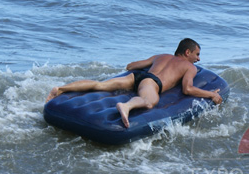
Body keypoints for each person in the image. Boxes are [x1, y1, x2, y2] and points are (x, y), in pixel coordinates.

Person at [46, 38, 223, 128]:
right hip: (152, 84)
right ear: (187, 52)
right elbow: (187, 89)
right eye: (197, 54)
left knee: (100, 85)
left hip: (137, 77)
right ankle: (126, 107)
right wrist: (212, 95)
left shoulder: (161, 56)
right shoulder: (189, 67)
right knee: (148, 101)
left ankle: (60, 88)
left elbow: (131, 66)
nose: (198, 59)